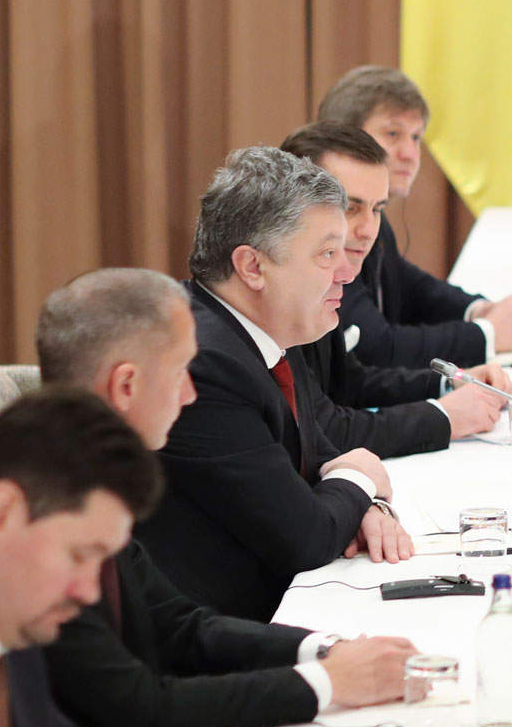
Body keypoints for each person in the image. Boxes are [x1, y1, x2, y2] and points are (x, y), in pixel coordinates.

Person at [0, 389, 404, 727]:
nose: (88, 591)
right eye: (79, 555)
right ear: (0, 515)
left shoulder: (6, 633)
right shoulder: (18, 623)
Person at [33, 268, 418, 727]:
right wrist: (329, 683)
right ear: (126, 385)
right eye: (180, 372)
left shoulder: (92, 481)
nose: (190, 395)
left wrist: (325, 650)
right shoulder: (46, 525)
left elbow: (181, 626)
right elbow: (145, 711)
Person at [139, 147, 413, 622]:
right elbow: (306, 537)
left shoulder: (266, 332)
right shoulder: (202, 364)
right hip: (216, 637)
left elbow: (322, 460)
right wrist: (361, 479)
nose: (348, 273)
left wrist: (367, 506)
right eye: (327, 255)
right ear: (253, 267)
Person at [278, 121, 510, 456]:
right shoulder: (279, 294)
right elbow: (325, 431)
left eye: (377, 210)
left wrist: (449, 382)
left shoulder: (324, 279)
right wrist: (443, 417)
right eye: (350, 207)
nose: (368, 230)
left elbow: (352, 383)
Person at [318, 65, 512, 368]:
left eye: (416, 137)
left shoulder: (371, 216)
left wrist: (477, 310)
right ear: (343, 135)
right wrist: (487, 334)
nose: (410, 154)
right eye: (393, 134)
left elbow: (408, 285)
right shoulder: (319, 222)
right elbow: (375, 348)